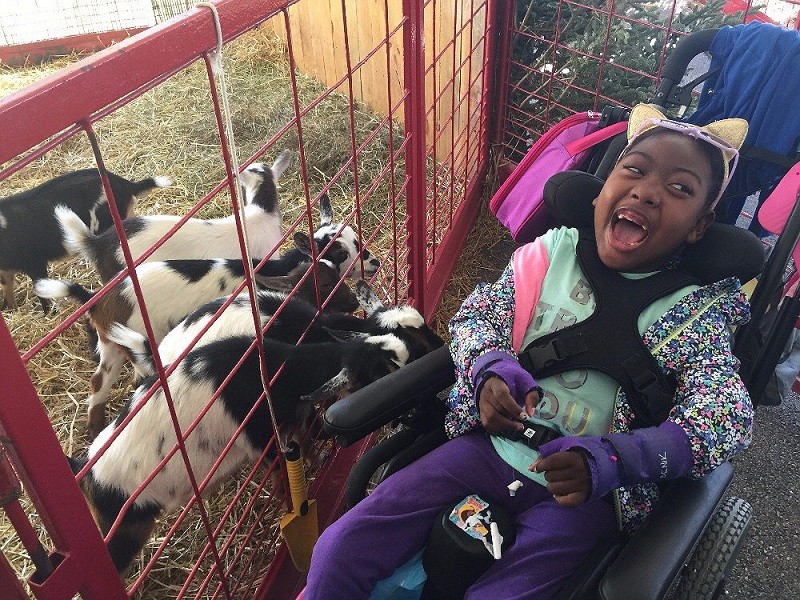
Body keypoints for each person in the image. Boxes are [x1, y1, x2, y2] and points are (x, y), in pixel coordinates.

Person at [304, 104, 754, 599]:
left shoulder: (697, 313)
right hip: (486, 448)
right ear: (602, 189)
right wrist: (489, 368)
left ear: (698, 226)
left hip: (586, 495)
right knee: (339, 549)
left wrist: (615, 459)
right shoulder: (549, 255)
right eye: (635, 168)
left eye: (679, 188)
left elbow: (724, 418)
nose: (646, 191)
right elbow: (479, 318)